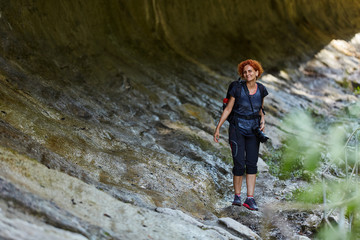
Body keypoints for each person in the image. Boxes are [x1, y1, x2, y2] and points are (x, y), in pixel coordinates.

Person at [213, 59, 268, 211]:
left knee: (251, 164)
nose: (247, 74)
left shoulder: (262, 89)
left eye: (250, 71)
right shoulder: (237, 89)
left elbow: (260, 108)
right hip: (237, 129)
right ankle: (237, 197)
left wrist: (262, 119)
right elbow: (228, 109)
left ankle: (249, 199)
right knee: (239, 164)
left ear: (257, 72)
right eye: (245, 72)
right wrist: (218, 127)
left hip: (253, 130)